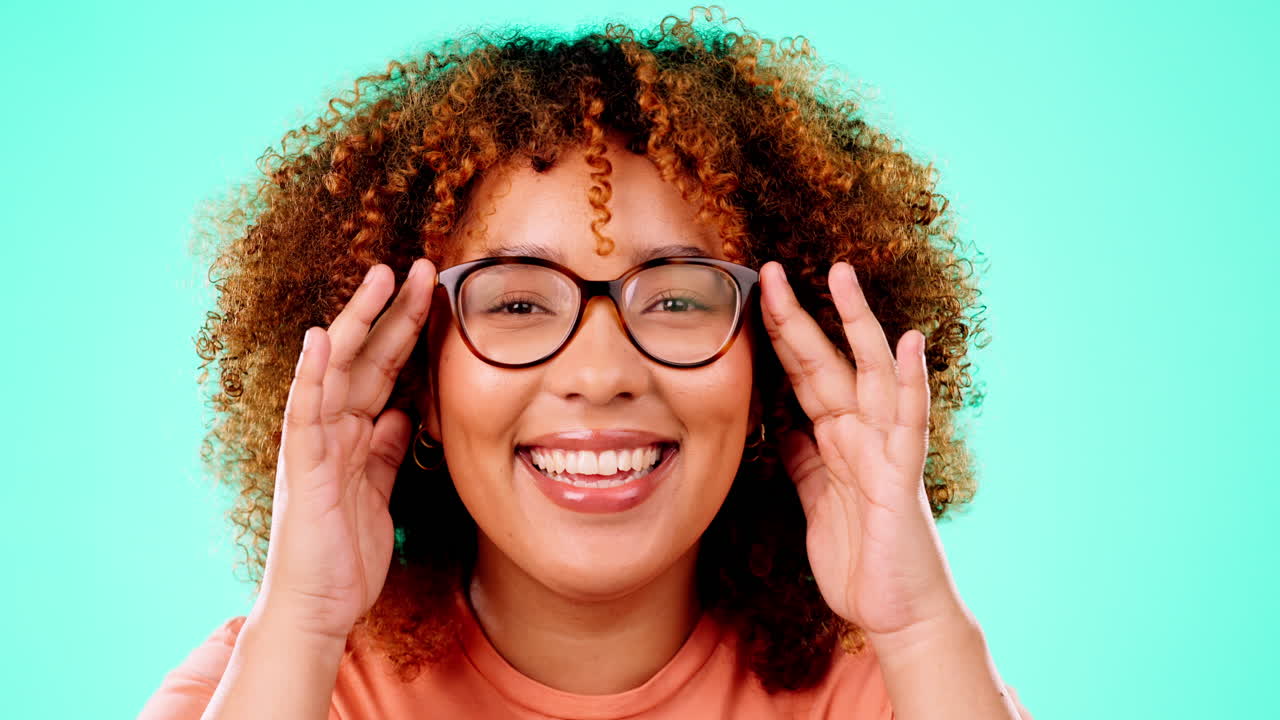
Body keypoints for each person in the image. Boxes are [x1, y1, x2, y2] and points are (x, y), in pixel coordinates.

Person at [139, 7, 1033, 719]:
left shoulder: (896, 690)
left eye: (677, 299)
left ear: (768, 373)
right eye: (517, 303)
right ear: (419, 380)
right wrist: (301, 619)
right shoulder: (280, 679)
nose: (601, 374)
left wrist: (920, 628)